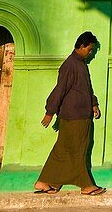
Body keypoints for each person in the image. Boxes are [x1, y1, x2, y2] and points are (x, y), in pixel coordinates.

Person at [34, 31, 105, 196]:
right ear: (81, 46)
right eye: (90, 49)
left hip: (79, 115)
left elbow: (85, 88)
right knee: (78, 150)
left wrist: (93, 104)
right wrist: (50, 111)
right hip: (75, 117)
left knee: (64, 150)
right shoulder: (70, 65)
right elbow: (60, 89)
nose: (91, 53)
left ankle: (47, 181)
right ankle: (86, 185)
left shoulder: (80, 64)